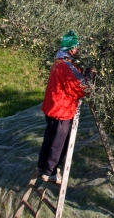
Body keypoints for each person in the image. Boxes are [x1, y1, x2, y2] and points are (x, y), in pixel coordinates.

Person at [37, 30, 89, 184]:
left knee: (49, 139)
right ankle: (51, 172)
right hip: (62, 110)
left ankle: (41, 166)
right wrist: (91, 75)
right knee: (59, 142)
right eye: (77, 48)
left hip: (52, 108)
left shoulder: (59, 62)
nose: (78, 51)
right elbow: (82, 87)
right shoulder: (67, 66)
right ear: (71, 49)